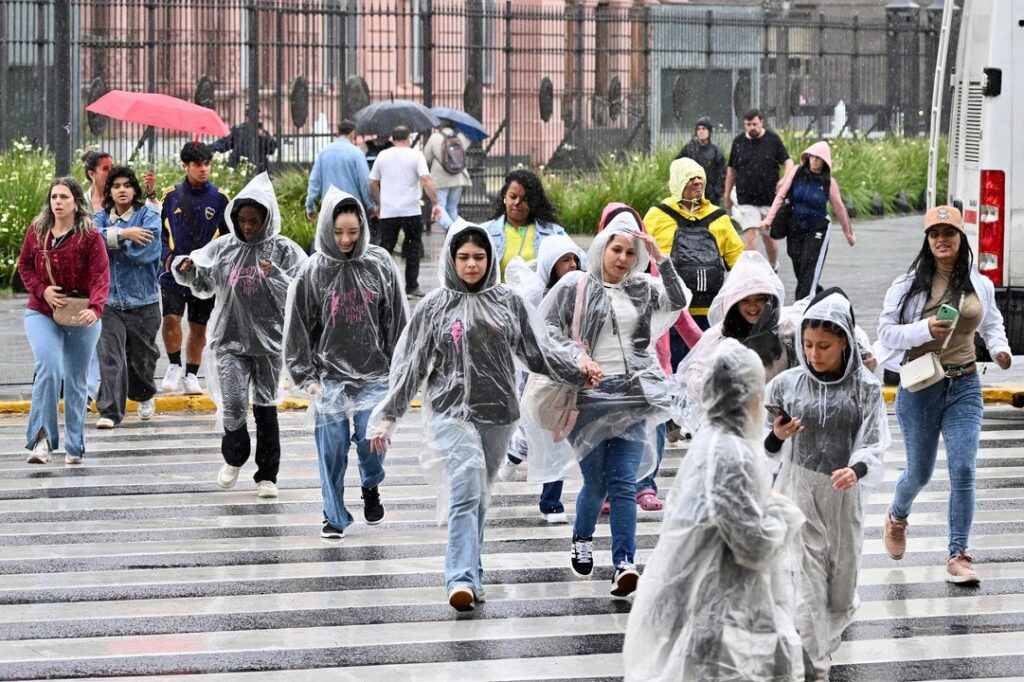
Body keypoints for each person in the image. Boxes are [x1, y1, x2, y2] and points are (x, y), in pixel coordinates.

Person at [368, 221, 601, 611]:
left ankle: (472, 572)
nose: (472, 264)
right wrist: (387, 416)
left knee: (479, 493)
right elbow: (411, 366)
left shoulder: (508, 302)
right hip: (448, 412)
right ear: (451, 260)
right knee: (466, 484)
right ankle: (458, 577)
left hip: (498, 414)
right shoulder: (433, 306)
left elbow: (537, 352)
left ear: (489, 259)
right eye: (463, 257)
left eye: (479, 257)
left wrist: (579, 371)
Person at [623, 339, 806, 682]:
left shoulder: (712, 442)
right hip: (718, 606)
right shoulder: (731, 454)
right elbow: (752, 543)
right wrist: (784, 513)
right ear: (750, 396)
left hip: (705, 600)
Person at [536, 211, 691, 598]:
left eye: (630, 252)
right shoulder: (576, 286)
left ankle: (625, 563)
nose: (622, 258)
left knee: (624, 482)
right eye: (616, 249)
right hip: (588, 396)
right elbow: (548, 331)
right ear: (602, 248)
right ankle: (582, 537)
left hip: (632, 395)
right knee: (597, 482)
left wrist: (663, 259)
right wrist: (577, 357)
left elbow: (678, 300)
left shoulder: (643, 288)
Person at [877, 205, 1012, 585]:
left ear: (960, 238)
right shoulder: (908, 285)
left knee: (965, 469)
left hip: (965, 384)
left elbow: (992, 322)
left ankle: (959, 554)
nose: (941, 240)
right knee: (919, 473)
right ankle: (896, 516)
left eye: (948, 233)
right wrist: (923, 330)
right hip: (921, 386)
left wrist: (1000, 350)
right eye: (934, 234)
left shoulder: (977, 283)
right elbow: (886, 332)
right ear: (927, 240)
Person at [765, 288, 889, 681]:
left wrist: (857, 469)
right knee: (807, 585)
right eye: (808, 345)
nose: (815, 354)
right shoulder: (786, 386)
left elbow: (875, 441)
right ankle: (814, 666)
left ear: (845, 344)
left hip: (843, 495)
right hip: (800, 489)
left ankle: (822, 642)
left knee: (839, 590)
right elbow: (760, 438)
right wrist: (777, 436)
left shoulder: (865, 389)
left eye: (824, 346)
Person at [173, 173, 307, 498]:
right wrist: (187, 270)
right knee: (233, 404)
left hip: (269, 344)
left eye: (255, 221)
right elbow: (205, 286)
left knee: (266, 408)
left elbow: (302, 289)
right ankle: (234, 456)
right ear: (234, 219)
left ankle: (267, 476)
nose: (248, 227)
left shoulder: (283, 250)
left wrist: (273, 274)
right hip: (230, 340)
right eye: (243, 220)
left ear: (267, 219)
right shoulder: (224, 249)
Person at [285, 187, 408, 538]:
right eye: (338, 232)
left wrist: (399, 370)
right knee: (332, 445)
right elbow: (299, 328)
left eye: (353, 232)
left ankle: (371, 484)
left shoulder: (379, 263)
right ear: (326, 228)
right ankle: (333, 515)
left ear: (363, 229)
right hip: (328, 377)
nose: (345, 239)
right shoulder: (314, 270)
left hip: (375, 373)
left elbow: (396, 321)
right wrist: (305, 375)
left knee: (373, 442)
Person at [17, 177, 110, 465]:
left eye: (64, 197)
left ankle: (74, 444)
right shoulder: (38, 230)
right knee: (48, 367)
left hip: (81, 312)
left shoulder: (90, 236)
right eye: (54, 197)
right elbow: (24, 266)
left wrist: (95, 309)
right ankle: (42, 441)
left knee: (76, 379)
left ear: (76, 202)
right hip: (42, 311)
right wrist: (41, 290)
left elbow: (100, 275)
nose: (58, 202)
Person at [497, 233, 588, 523]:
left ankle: (551, 497)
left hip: (576, 371)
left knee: (558, 434)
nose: (572, 265)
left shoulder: (585, 290)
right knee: (541, 430)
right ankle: (521, 463)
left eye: (575, 259)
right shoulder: (535, 295)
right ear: (551, 265)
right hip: (539, 372)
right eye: (564, 260)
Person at [676, 251, 795, 432]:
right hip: (730, 424)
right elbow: (695, 377)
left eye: (760, 300)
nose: (753, 307)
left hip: (777, 427)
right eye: (745, 300)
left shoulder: (785, 332)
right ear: (734, 303)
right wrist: (727, 391)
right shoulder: (718, 337)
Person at [644, 157, 744, 369]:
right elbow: (639, 257)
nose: (697, 182)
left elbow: (738, 260)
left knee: (705, 371)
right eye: (690, 178)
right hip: (671, 315)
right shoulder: (657, 216)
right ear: (677, 182)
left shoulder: (719, 218)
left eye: (700, 177)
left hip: (710, 314)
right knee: (672, 369)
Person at [158, 141, 230, 395]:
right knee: (171, 318)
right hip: (173, 273)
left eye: (207, 164)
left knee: (198, 326)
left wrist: (209, 263)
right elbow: (160, 233)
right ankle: (174, 364)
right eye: (198, 164)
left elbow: (227, 240)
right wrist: (170, 260)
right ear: (185, 166)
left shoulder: (220, 199)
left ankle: (191, 373)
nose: (204, 169)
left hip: (203, 277)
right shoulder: (171, 195)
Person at [93, 166, 162, 429]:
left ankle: (144, 394)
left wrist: (114, 243)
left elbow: (145, 253)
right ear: (109, 191)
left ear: (134, 189)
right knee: (110, 356)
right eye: (116, 186)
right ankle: (110, 411)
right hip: (108, 300)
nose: (122, 190)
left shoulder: (149, 216)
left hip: (143, 301)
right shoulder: (100, 217)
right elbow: (91, 241)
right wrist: (125, 235)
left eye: (127, 185)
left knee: (142, 358)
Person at [761, 140, 855, 299]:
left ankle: (802, 306)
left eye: (818, 158)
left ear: (824, 161)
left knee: (809, 267)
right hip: (796, 228)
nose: (814, 161)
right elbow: (781, 195)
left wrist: (849, 234)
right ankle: (819, 296)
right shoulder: (797, 172)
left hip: (817, 229)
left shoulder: (828, 183)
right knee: (800, 267)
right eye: (811, 157)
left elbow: (839, 208)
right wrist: (769, 220)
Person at [369, 125, 442, 298]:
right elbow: (426, 179)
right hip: (410, 210)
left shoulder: (383, 155)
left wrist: (379, 203)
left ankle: (382, 284)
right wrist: (435, 202)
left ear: (392, 139)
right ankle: (411, 286)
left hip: (389, 211)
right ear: (409, 138)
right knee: (412, 248)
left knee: (386, 247)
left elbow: (372, 182)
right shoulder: (416, 155)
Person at [724, 108, 794, 269]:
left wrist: (785, 179)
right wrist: (727, 194)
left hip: (769, 199)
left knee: (770, 241)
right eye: (748, 124)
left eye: (755, 124)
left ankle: (772, 266)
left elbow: (788, 162)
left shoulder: (772, 140)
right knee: (750, 234)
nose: (752, 128)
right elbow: (731, 170)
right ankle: (750, 272)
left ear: (761, 122)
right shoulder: (739, 142)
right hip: (746, 198)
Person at [481, 169, 567, 280]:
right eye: (513, 196)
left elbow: (579, 261)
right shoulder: (485, 232)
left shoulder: (553, 232)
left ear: (533, 203)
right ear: (504, 197)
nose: (517, 202)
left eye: (524, 199)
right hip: (498, 297)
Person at [305, 119, 375, 221]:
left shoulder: (324, 152)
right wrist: (370, 205)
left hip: (330, 205)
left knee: (333, 235)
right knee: (353, 234)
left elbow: (314, 182)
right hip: (352, 206)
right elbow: (364, 182)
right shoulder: (356, 153)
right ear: (352, 133)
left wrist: (310, 206)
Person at [423, 121, 472, 228]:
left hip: (440, 178)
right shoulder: (461, 137)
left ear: (440, 125)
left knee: (439, 207)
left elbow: (426, 157)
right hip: (459, 176)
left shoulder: (435, 137)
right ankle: (458, 232)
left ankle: (450, 228)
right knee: (452, 207)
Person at [676, 116, 726, 205]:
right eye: (699, 129)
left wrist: (716, 192)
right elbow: (677, 165)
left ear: (709, 131)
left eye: (704, 129)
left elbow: (722, 174)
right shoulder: (688, 149)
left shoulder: (716, 152)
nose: (701, 131)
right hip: (690, 196)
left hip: (711, 197)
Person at [211, 118, 279, 173]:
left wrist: (264, 136)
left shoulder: (261, 132)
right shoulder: (238, 129)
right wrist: (210, 147)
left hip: (258, 167)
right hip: (238, 165)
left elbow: (271, 150)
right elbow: (224, 144)